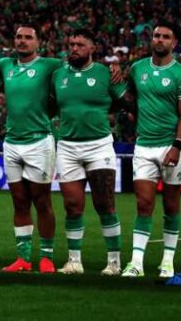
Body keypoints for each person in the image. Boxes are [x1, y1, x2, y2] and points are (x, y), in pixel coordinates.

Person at [52, 30, 127, 276]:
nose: (74, 47)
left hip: (98, 145)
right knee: (72, 206)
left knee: (104, 203)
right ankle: (74, 261)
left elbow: (127, 101)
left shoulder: (106, 74)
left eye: (80, 44)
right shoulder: (58, 74)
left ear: (92, 47)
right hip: (67, 146)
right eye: (71, 43)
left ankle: (114, 262)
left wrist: (120, 69)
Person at [124, 22, 181, 279]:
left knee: (171, 205)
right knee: (144, 204)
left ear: (174, 43)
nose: (160, 40)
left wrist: (177, 145)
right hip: (144, 144)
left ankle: (167, 261)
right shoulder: (137, 68)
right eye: (156, 36)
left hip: (171, 145)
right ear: (151, 40)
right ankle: (136, 263)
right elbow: (129, 98)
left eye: (166, 36)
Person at [0, 25, 61, 273]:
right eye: (18, 37)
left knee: (42, 201)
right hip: (12, 141)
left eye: (28, 38)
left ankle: (46, 257)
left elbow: (78, 68)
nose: (22, 41)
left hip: (39, 141)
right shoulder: (4, 65)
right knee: (19, 202)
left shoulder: (50, 65)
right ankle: (23, 258)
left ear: (38, 42)